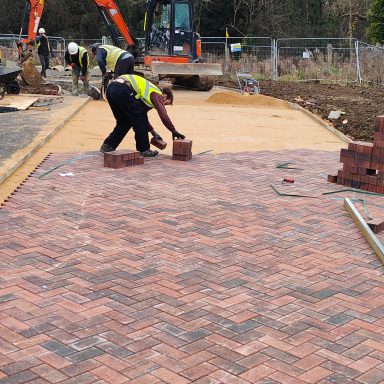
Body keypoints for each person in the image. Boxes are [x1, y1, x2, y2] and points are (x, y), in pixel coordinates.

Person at [100, 74, 185, 157]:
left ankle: (108, 145)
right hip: (122, 88)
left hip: (111, 89)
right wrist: (173, 130)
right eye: (166, 104)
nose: (163, 106)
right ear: (165, 96)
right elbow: (163, 115)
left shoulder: (146, 96)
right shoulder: (156, 93)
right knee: (139, 119)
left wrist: (153, 133)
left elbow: (140, 115)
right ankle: (144, 150)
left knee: (124, 122)